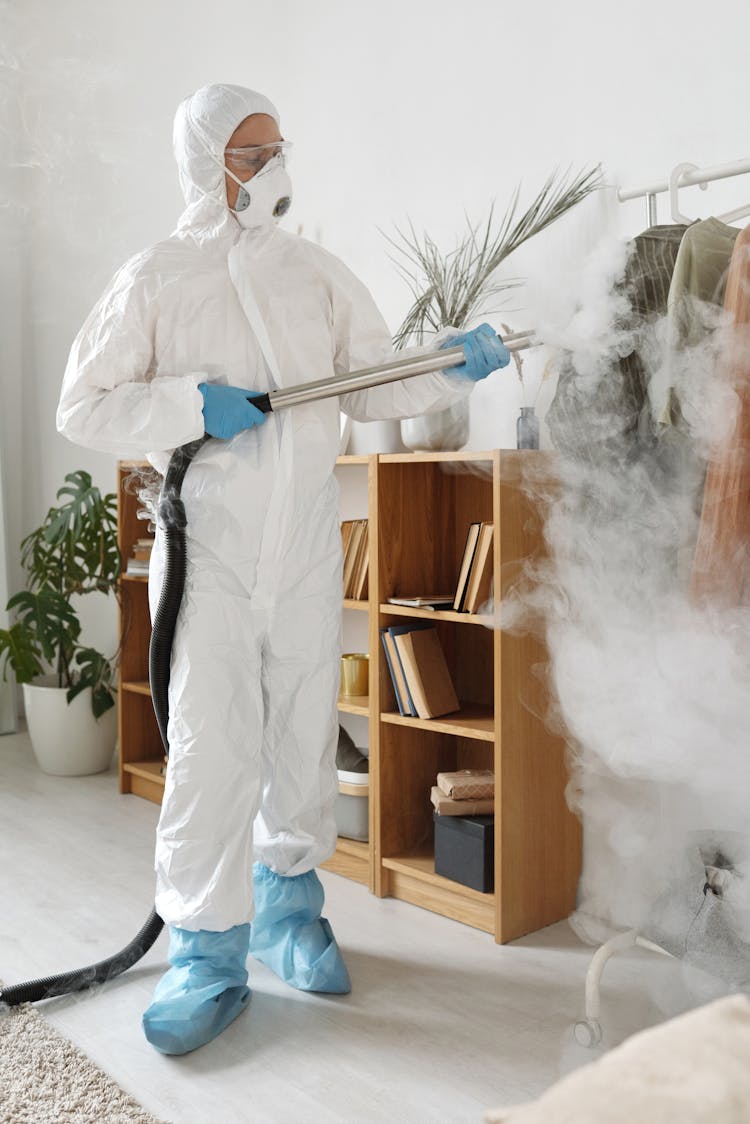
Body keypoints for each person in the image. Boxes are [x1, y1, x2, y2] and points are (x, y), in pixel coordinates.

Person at [56, 83, 510, 1055]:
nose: (274, 168)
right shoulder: (158, 279)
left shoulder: (317, 275)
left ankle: (291, 911)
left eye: (277, 149)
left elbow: (383, 375)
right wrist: (186, 404)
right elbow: (82, 406)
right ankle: (205, 954)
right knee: (213, 753)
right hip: (210, 554)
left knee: (305, 737)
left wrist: (457, 363)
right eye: (252, 154)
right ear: (206, 164)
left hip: (304, 550)